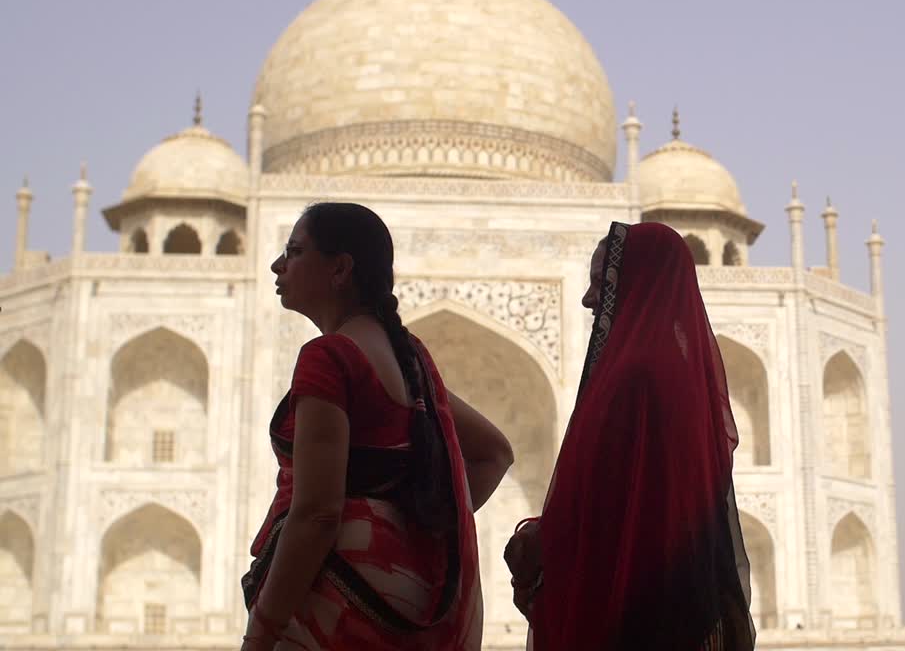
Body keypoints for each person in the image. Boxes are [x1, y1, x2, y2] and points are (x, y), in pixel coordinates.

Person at [241, 202, 514, 650]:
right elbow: (494, 453)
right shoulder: (410, 359)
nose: (277, 265)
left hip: (339, 602)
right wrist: (416, 528)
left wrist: (260, 632)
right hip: (406, 596)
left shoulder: (328, 357)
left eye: (294, 251)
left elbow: (317, 513)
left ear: (340, 269)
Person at [504, 221, 755, 650]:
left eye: (603, 283)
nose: (588, 299)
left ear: (641, 284)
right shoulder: (676, 373)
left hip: (636, 610)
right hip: (680, 606)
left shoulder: (636, 378)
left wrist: (539, 543)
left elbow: (616, 510)